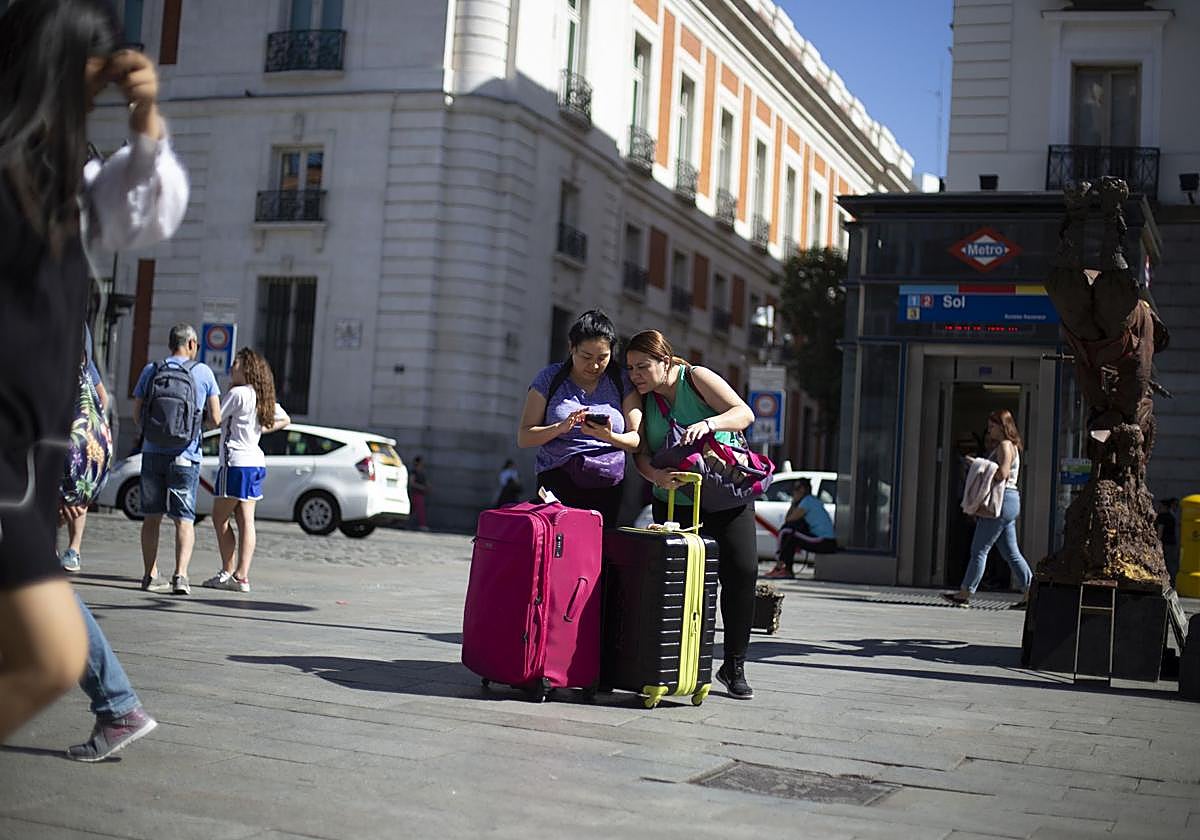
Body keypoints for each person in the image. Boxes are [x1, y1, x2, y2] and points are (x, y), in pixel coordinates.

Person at [0, 0, 187, 741]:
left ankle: (116, 707)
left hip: (34, 440)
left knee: (49, 649)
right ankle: (117, 706)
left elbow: (146, 218)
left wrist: (146, 124)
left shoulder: (74, 174)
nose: (97, 100)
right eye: (90, 82)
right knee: (52, 649)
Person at [626, 329, 758, 699]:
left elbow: (743, 413)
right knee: (683, 587)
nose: (635, 374)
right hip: (674, 503)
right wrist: (656, 476)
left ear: (665, 361)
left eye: (642, 366)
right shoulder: (641, 400)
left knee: (742, 573)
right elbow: (640, 454)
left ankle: (734, 664)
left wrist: (709, 423)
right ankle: (679, 663)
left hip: (726, 494)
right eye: (631, 368)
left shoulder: (695, 378)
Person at [517, 310, 642, 526]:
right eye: (586, 357)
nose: (594, 366)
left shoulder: (621, 381)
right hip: (557, 480)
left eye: (602, 358)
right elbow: (524, 437)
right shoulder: (550, 378)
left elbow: (636, 441)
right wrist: (561, 427)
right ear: (571, 348)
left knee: (597, 552)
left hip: (607, 482)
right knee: (557, 550)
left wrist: (609, 436)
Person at [132, 323, 220, 595]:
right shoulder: (203, 372)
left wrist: (152, 436)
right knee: (184, 518)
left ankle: (150, 575)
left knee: (151, 517)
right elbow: (216, 417)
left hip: (152, 453)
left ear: (171, 344)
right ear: (192, 344)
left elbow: (137, 412)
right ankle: (180, 577)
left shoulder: (152, 369)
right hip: (186, 455)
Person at [202, 348, 289, 593]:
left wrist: (207, 411)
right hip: (254, 461)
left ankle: (227, 571)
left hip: (234, 462)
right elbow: (285, 419)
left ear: (247, 368)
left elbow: (216, 419)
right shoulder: (261, 396)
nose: (232, 367)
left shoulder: (238, 393)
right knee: (246, 521)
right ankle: (242, 576)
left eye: (236, 364)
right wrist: (261, 430)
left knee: (219, 517)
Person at [942, 409, 1033, 608]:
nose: (989, 430)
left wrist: (977, 464)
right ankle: (1030, 591)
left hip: (1002, 501)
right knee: (1010, 552)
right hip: (1008, 501)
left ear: (1002, 427)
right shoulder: (1010, 446)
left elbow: (1002, 473)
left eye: (992, 426)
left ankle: (965, 592)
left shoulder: (1005, 445)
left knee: (979, 549)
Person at [60, 324, 109, 574]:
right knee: (80, 490)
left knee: (60, 494)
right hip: (86, 438)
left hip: (66, 437)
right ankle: (73, 549)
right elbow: (103, 397)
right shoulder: (86, 366)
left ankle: (57, 548)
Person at [764, 478, 837, 579]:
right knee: (791, 534)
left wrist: (794, 502)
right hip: (827, 542)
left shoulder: (807, 501)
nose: (794, 491)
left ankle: (781, 567)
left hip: (823, 541)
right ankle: (785, 568)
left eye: (796, 488)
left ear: (802, 490)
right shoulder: (812, 500)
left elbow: (789, 519)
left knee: (786, 531)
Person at [1157, 497, 1179, 588]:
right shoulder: (1171, 516)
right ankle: (1172, 584)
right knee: (1172, 565)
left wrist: (1157, 542)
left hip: (1165, 544)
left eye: (1160, 506)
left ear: (1164, 507)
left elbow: (1160, 531)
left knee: (1165, 564)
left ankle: (1166, 584)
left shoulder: (1162, 517)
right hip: (1172, 544)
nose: (1159, 508)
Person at [408, 456, 430, 530]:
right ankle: (422, 525)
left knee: (413, 509)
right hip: (415, 493)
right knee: (420, 510)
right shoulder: (414, 472)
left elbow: (426, 482)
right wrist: (421, 487)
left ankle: (403, 522)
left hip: (421, 493)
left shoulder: (422, 472)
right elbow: (412, 483)